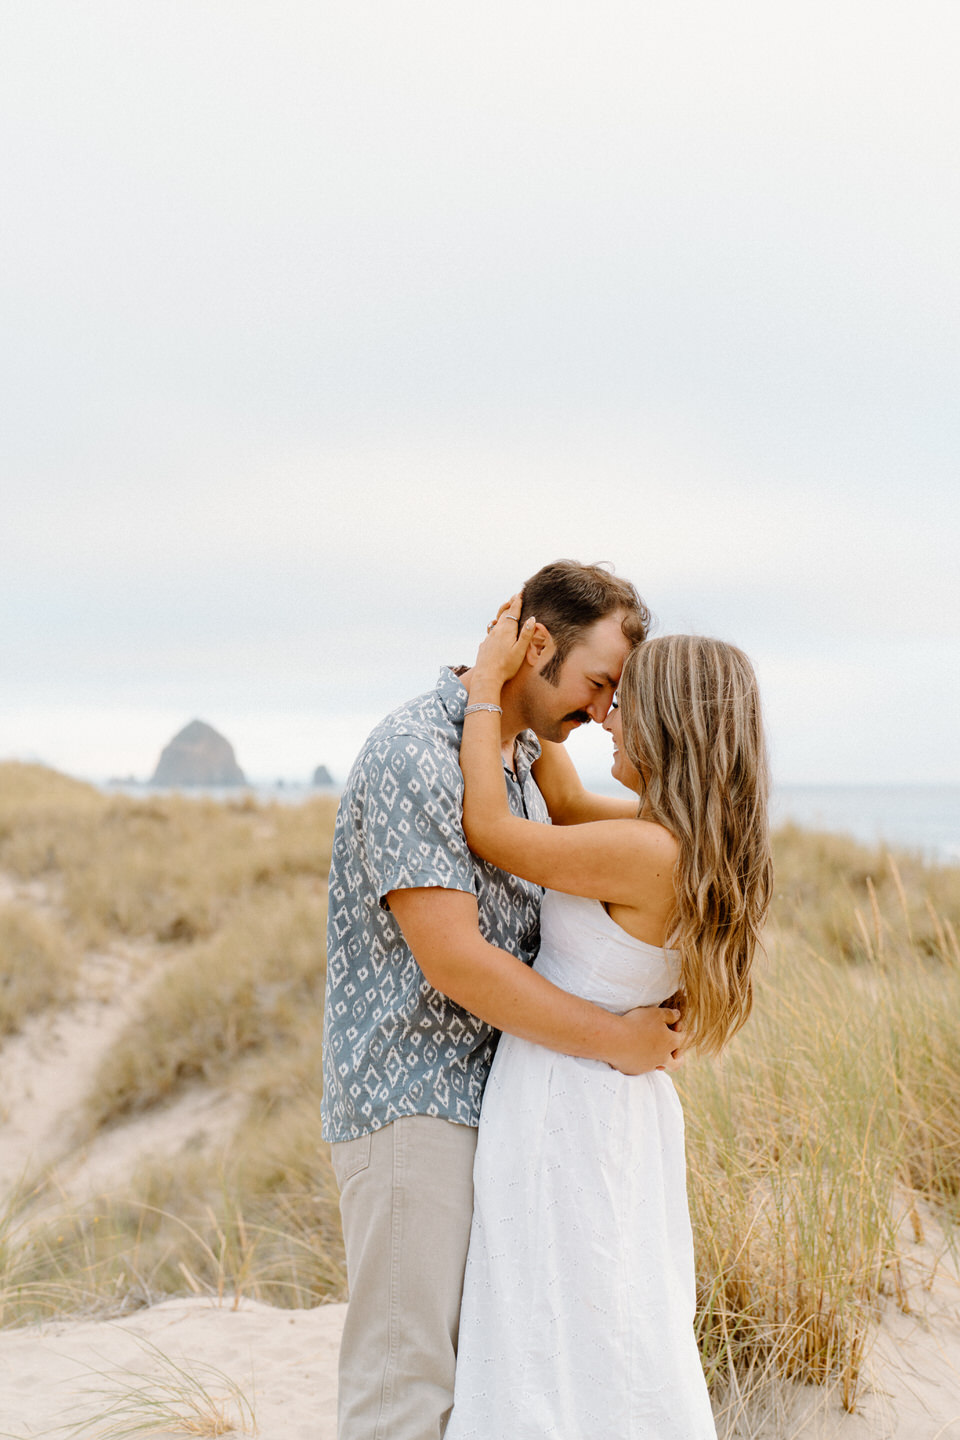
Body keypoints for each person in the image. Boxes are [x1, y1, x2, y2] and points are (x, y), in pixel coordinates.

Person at [321, 561, 684, 1440]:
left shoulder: (518, 759)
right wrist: (614, 1039)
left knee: (482, 1396)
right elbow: (457, 963)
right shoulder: (417, 754)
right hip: (417, 1106)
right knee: (406, 1396)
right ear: (533, 644)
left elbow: (567, 815)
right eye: (598, 684)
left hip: (495, 1112)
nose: (603, 712)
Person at [444, 603, 774, 1439]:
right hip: (611, 1111)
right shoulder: (677, 841)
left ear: (666, 725)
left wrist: (488, 690)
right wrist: (536, 681)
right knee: (604, 1332)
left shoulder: (645, 852)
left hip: (568, 1109)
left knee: (547, 1333)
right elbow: (554, 790)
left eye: (622, 702)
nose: (606, 718)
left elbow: (490, 828)